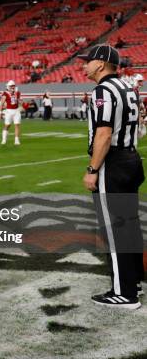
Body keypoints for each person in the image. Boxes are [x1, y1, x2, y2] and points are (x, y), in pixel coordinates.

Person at [79, 44, 144, 309]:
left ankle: (123, 292)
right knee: (129, 223)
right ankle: (134, 279)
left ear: (101, 64)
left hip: (113, 163)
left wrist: (93, 169)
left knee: (114, 228)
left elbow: (104, 134)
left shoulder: (103, 91)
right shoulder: (128, 87)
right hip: (131, 158)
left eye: (88, 61)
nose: (85, 65)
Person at [0, 80, 22, 145]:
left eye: (13, 86)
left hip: (16, 110)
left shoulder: (17, 93)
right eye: (11, 86)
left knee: (17, 125)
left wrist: (22, 103)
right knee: (7, 125)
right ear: (8, 86)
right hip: (9, 111)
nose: (12, 87)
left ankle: (16, 140)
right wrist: (0, 112)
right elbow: (2, 103)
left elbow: (19, 101)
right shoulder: (5, 93)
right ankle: (4, 139)